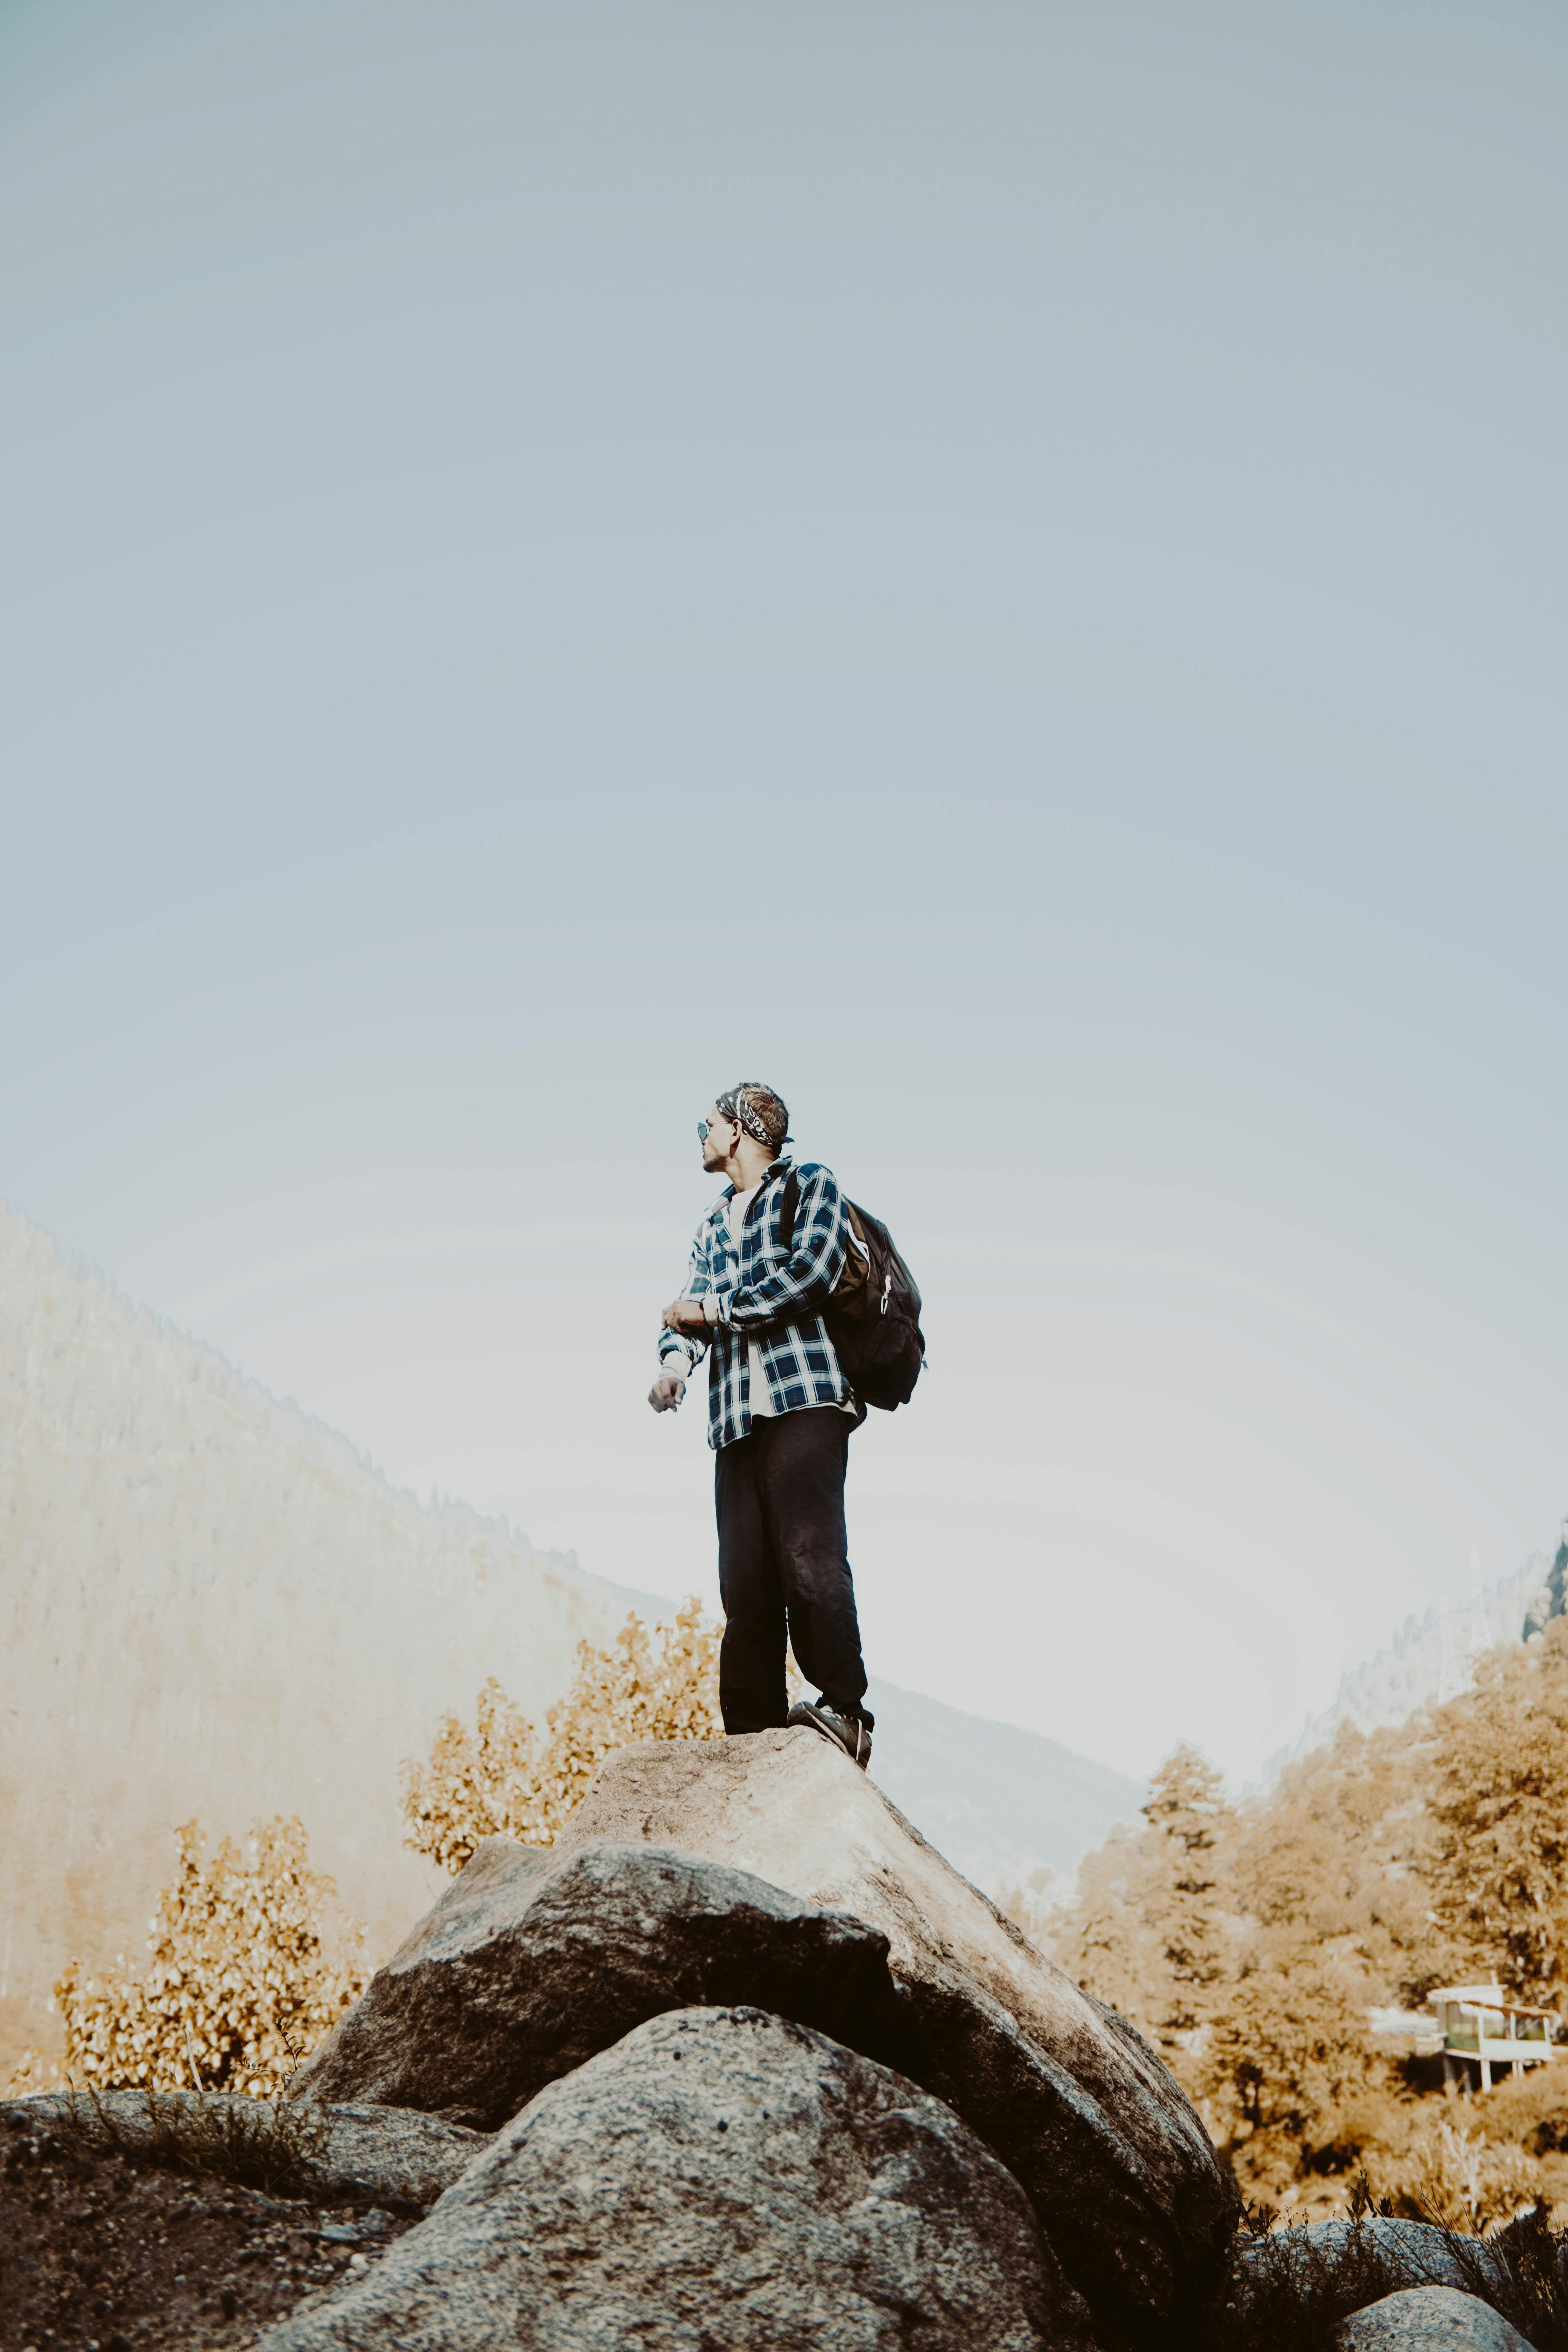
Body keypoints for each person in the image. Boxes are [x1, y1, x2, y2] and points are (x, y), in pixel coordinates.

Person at [648, 1082, 874, 1768]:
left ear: (742, 1132)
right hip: (734, 1420)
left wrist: (709, 1314)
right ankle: (749, 1737)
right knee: (745, 1585)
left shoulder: (810, 1187)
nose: (702, 1136)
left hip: (806, 1398)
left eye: (708, 1125)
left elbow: (805, 1277)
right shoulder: (712, 1223)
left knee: (809, 1560)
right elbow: (684, 1312)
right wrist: (674, 1367)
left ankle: (843, 1709)